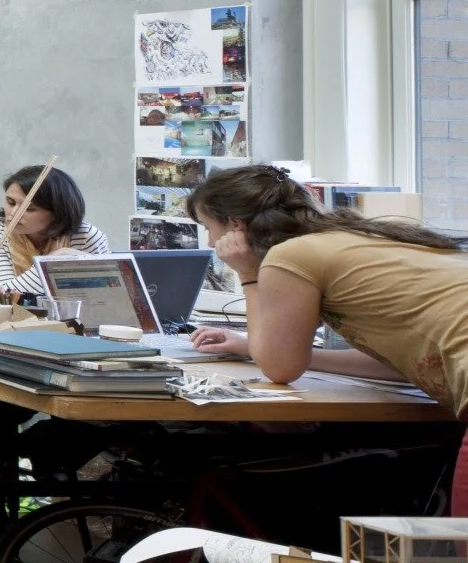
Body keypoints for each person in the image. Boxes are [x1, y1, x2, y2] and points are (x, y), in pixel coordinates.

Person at [184, 165, 468, 513]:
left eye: (209, 229)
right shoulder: (364, 237)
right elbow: (404, 366)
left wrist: (247, 272)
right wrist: (260, 347)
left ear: (235, 225)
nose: (212, 243)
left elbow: (280, 368)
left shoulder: (290, 256)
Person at [0, 164, 109, 295]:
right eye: (10, 202)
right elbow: (1, 295)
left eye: (29, 209)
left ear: (57, 212)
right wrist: (50, 263)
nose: (13, 214)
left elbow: (105, 297)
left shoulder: (86, 237)